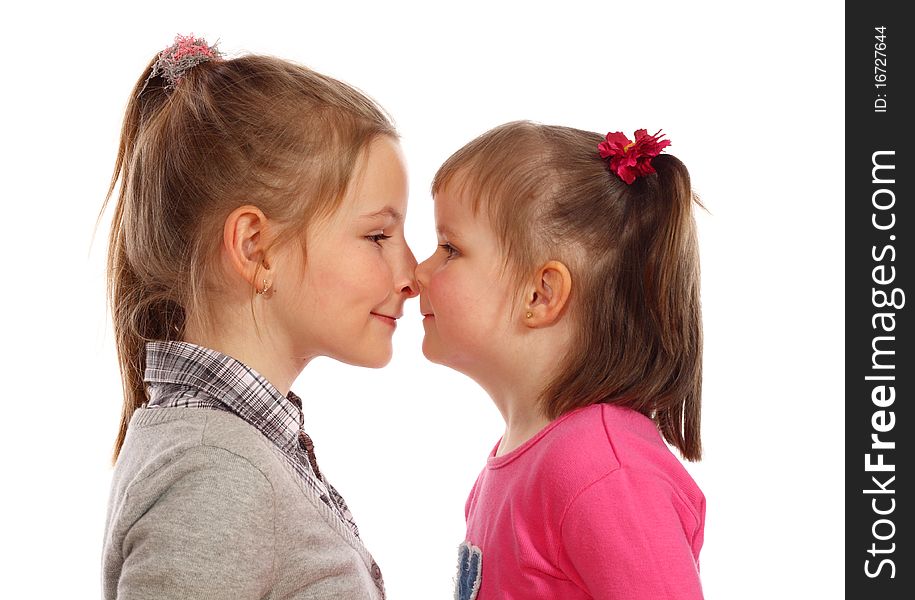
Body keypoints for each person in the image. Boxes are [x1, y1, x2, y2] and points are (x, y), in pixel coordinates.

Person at [100, 35, 417, 600]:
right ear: (255, 247)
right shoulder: (217, 473)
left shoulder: (232, 453)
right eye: (377, 236)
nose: (411, 274)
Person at [415, 122, 706, 599]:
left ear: (540, 293)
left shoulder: (602, 469)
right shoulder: (519, 463)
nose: (419, 270)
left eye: (450, 249)